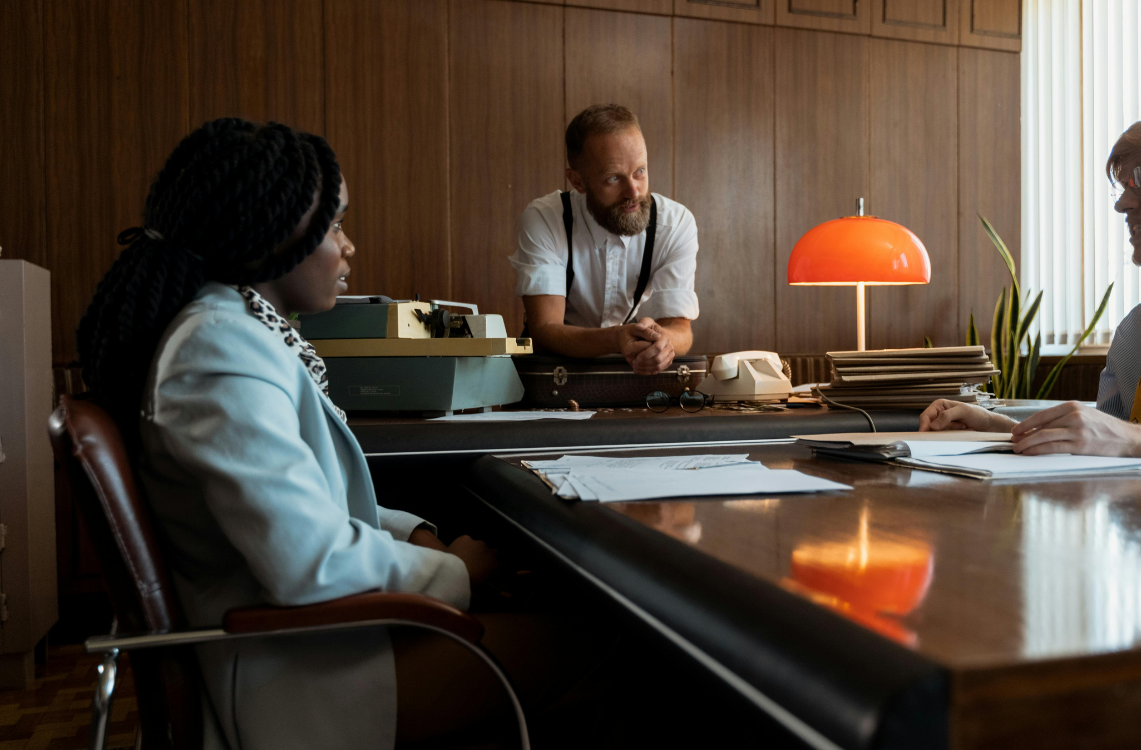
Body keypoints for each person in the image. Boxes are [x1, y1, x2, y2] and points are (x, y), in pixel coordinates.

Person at [77, 119, 596, 749]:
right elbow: (310, 561)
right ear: (272, 230)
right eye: (336, 224)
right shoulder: (218, 347)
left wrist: (418, 535)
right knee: (611, 646)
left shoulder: (234, 330)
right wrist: (455, 570)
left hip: (312, 645)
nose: (348, 246)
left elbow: (309, 505)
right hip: (299, 677)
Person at [920, 105, 1141, 474]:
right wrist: (1001, 427)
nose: (1123, 203)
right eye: (1122, 187)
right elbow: (1109, 448)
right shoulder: (1140, 325)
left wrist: (1136, 442)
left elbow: (1130, 443)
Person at [510, 104, 699, 375]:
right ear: (578, 181)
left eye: (640, 171)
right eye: (613, 178)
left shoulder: (675, 224)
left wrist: (663, 342)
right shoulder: (546, 219)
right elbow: (544, 330)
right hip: (550, 372)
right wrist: (616, 337)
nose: (633, 191)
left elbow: (680, 328)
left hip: (629, 371)